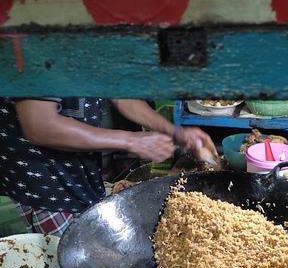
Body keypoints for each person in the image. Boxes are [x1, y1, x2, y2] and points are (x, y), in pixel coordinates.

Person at [0, 97, 215, 236]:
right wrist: (131, 140)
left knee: (90, 238)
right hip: (42, 179)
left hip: (80, 167)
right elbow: (40, 125)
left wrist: (174, 131)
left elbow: (123, 98)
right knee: (64, 262)